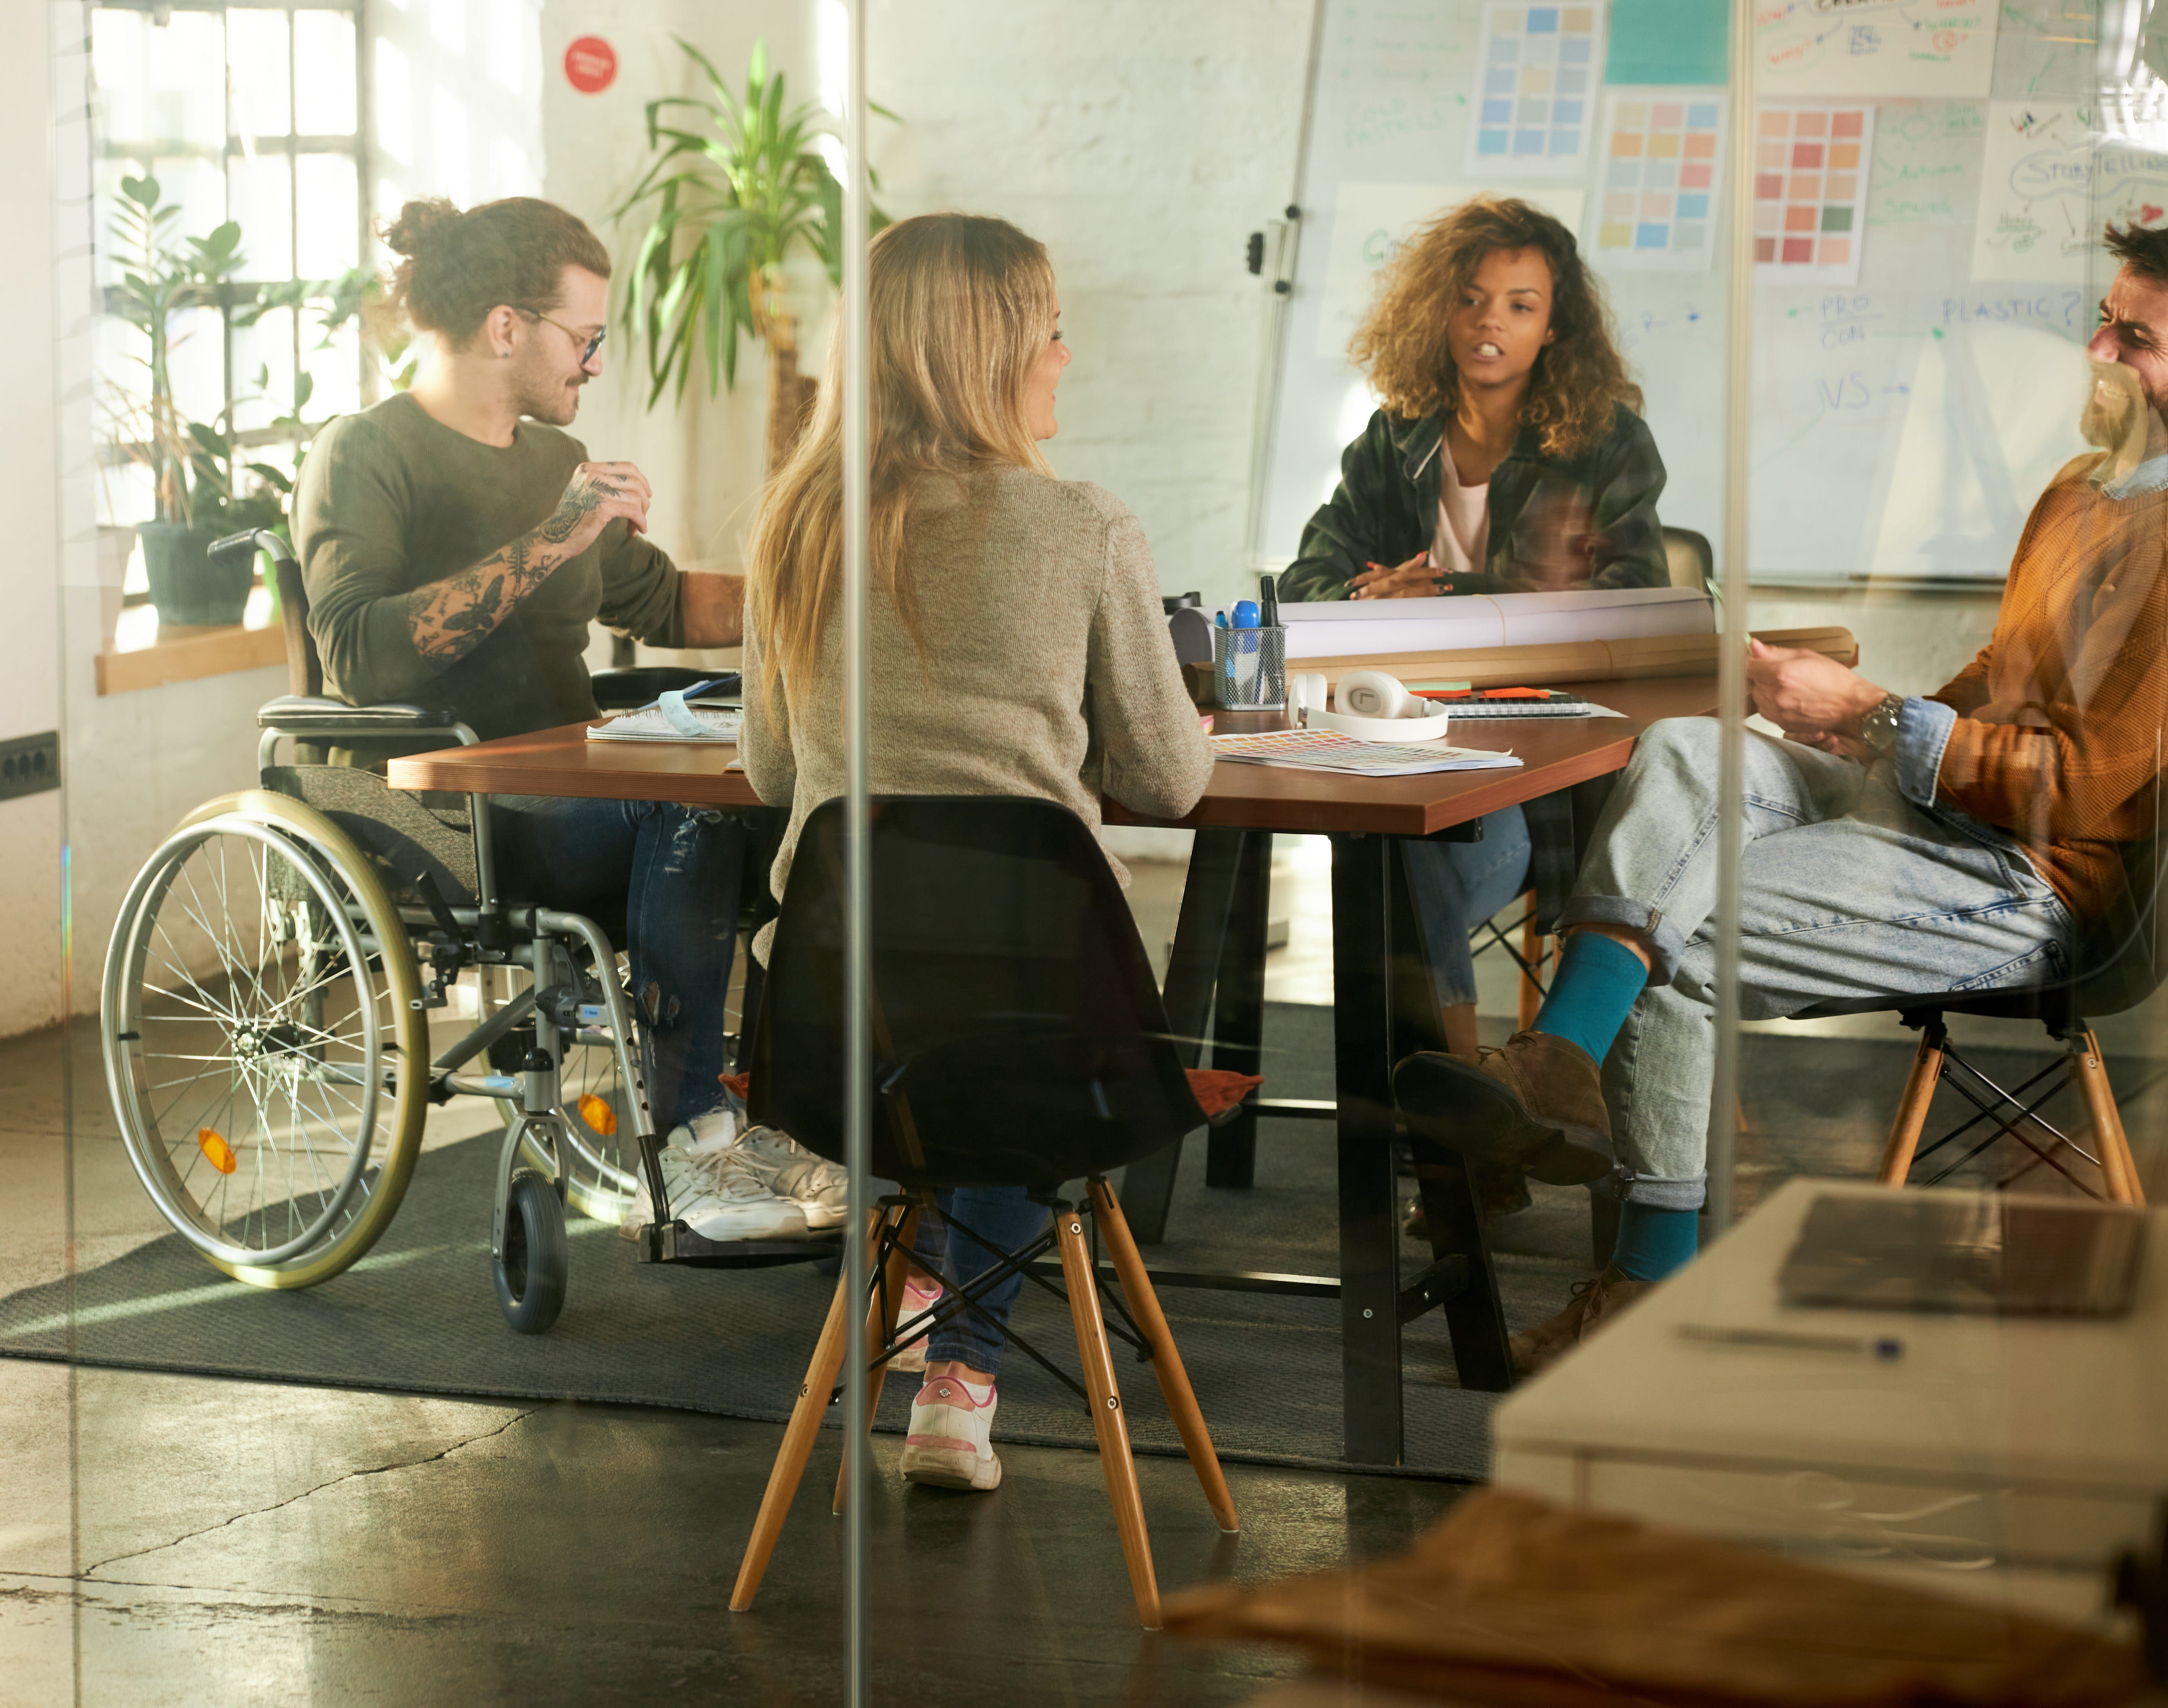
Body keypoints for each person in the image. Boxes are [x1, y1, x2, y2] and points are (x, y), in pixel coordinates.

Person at [1392, 217, 2168, 1374]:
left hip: (2038, 884)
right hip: (1959, 822)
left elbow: (2076, 788)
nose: (2102, 351)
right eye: (2106, 320)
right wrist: (1838, 716)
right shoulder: (2086, 491)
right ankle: (1557, 1067)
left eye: (2141, 339)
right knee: (1684, 749)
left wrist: (1868, 716)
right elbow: (1992, 691)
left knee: (1683, 930)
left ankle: (1641, 1278)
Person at [739, 212, 1215, 1493]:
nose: (1069, 356)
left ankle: (929, 1299)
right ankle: (961, 1378)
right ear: (992, 353)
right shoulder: (1084, 530)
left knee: (964, 986)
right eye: (1052, 331)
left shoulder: (797, 524)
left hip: (839, 1012)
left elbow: (774, 775)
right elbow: (1169, 777)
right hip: (1042, 1012)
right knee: (1022, 987)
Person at [291, 196, 835, 1239]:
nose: (593, 363)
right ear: (508, 328)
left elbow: (666, 602)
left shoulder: (551, 462)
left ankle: (759, 1122)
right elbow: (358, 652)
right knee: (699, 813)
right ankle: (684, 1147)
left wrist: (812, 588)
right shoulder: (365, 453)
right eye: (583, 338)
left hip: (576, 788)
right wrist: (553, 539)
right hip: (449, 814)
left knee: (782, 780)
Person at [1281, 199, 1673, 1231]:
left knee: (1401, 867)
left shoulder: (1608, 443)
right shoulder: (1394, 438)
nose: (1488, 322)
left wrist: (1444, 599)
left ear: (1557, 326)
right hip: (1410, 740)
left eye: (1520, 303)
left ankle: (1459, 1142)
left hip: (1535, 767)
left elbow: (1633, 596)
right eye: (1468, 299)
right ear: (1436, 313)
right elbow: (1310, 568)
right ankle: (1475, 1118)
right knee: (1398, 829)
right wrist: (1368, 593)